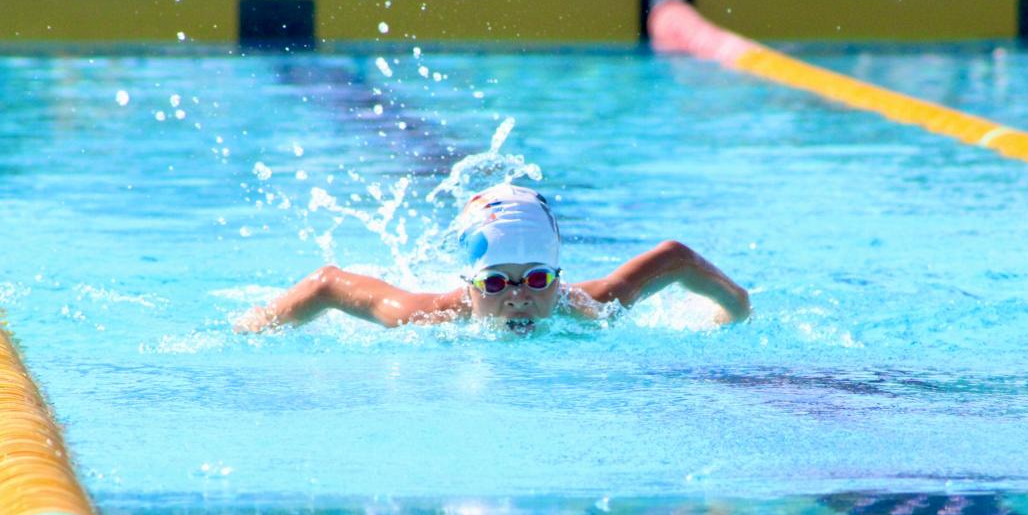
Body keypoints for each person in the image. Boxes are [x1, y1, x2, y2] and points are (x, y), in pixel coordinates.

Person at [236, 183, 750, 335]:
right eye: (497, 285)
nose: (520, 298)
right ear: (469, 284)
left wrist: (731, 314)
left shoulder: (594, 306)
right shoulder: (426, 314)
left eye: (537, 278)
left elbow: (675, 257)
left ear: (559, 276)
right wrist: (253, 328)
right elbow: (326, 283)